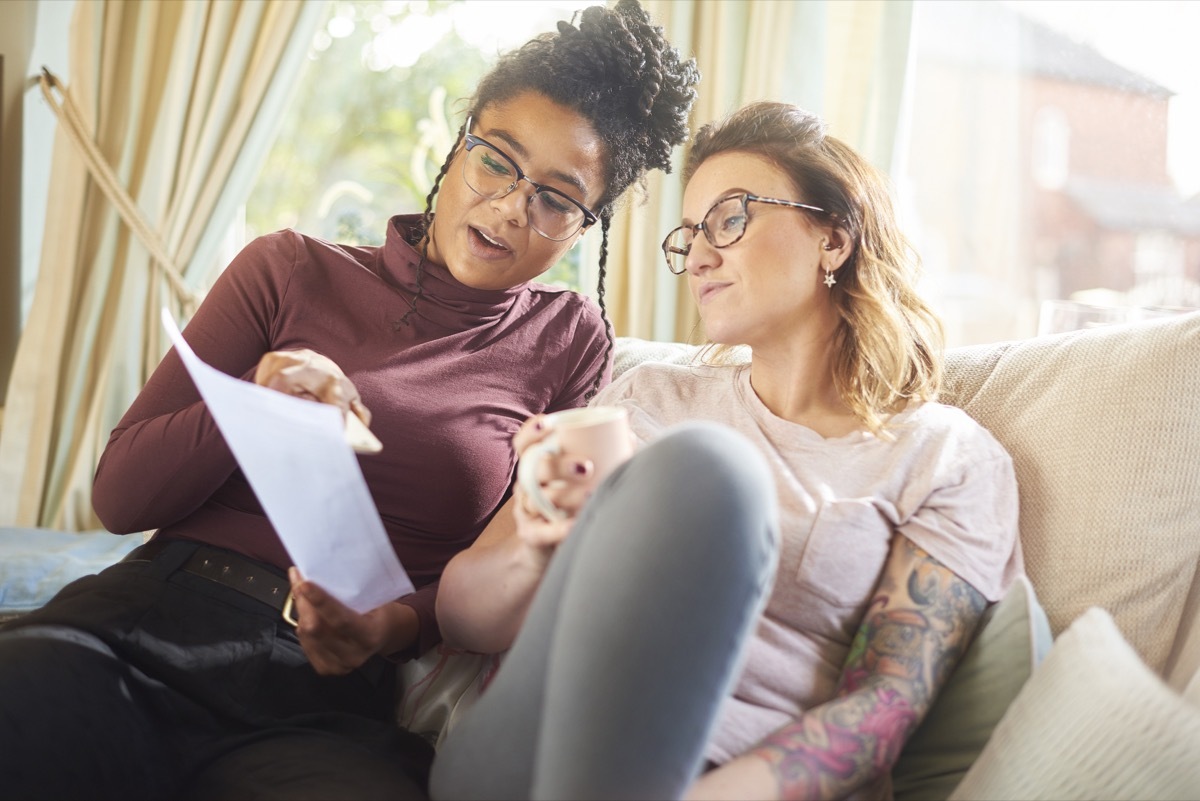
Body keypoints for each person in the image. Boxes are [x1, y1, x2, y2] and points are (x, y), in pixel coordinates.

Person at [0, 3, 699, 798]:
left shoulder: (568, 341)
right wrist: (254, 403)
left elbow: (503, 562)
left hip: (325, 692)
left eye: (557, 199)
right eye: (497, 160)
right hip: (147, 625)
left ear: (583, 226)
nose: (512, 205)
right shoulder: (287, 268)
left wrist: (387, 626)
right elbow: (121, 499)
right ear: (459, 144)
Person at [429, 101, 1024, 800]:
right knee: (702, 468)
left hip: (723, 780)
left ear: (834, 238)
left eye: (729, 219)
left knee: (713, 472)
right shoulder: (648, 396)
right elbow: (461, 620)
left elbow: (881, 710)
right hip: (530, 745)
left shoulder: (947, 458)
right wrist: (539, 542)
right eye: (689, 235)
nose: (700, 256)